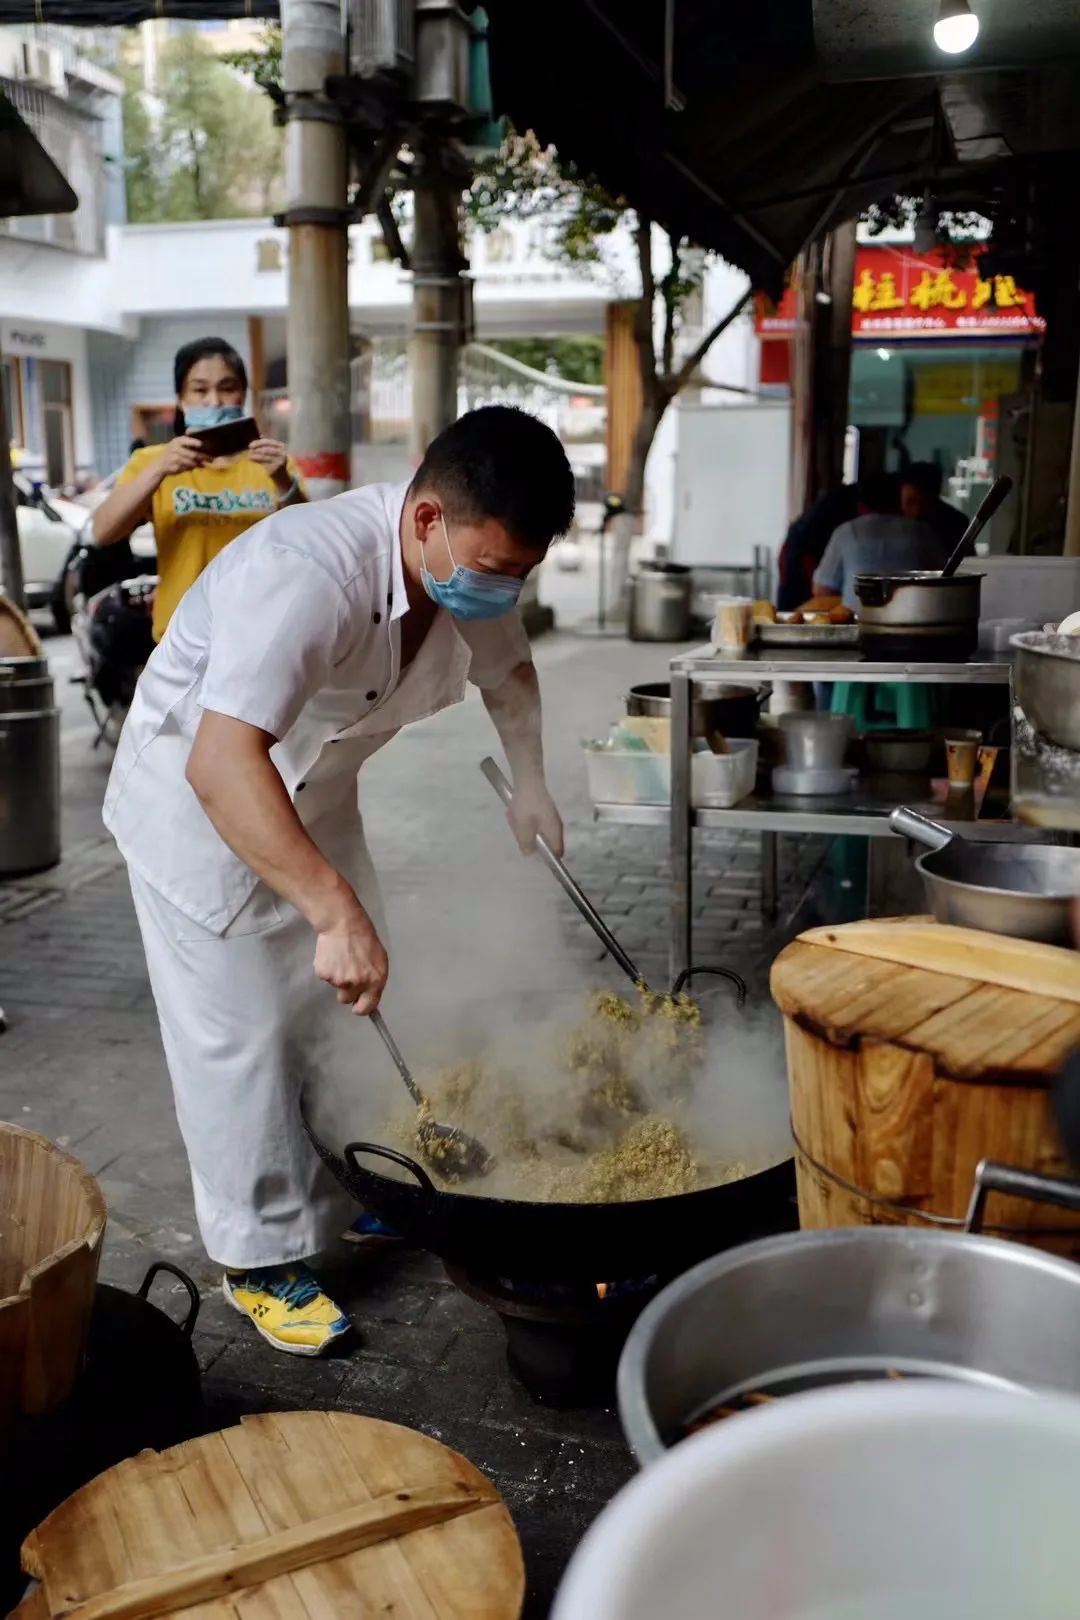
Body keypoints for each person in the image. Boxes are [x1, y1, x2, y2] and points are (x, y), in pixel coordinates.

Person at [103, 405, 575, 1357]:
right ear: (429, 517)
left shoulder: (472, 571)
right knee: (243, 1034)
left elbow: (509, 676)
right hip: (200, 803)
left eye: (518, 574)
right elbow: (221, 763)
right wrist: (330, 906)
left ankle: (352, 1189)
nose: (502, 590)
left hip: (312, 790)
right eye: (493, 571)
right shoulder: (308, 573)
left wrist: (530, 785)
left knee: (346, 1000)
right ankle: (259, 1258)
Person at [91, 337, 303, 642]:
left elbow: (308, 540)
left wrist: (283, 480)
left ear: (242, 394)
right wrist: (160, 469)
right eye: (200, 390)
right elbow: (103, 532)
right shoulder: (152, 462)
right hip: (181, 639)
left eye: (227, 388)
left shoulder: (274, 462)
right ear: (181, 399)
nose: (214, 401)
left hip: (261, 635)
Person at [813, 470, 945, 609]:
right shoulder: (922, 532)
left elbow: (821, 589)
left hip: (859, 621)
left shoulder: (846, 532)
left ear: (860, 505)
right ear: (898, 499)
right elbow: (944, 578)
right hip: (913, 619)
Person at [776, 484, 857, 613]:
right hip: (804, 551)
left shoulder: (847, 498)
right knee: (796, 609)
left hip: (801, 546)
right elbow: (821, 589)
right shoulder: (853, 506)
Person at [900, 461, 970, 555]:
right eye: (911, 502)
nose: (916, 511)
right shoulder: (889, 521)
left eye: (924, 504)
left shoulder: (955, 524)